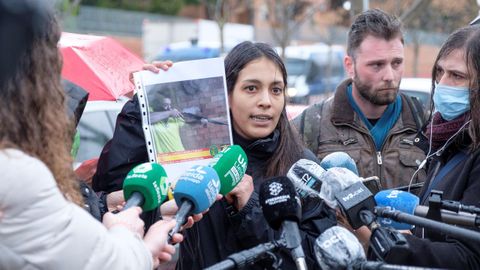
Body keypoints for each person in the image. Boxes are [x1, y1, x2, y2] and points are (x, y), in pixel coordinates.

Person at [92, 42, 336, 269]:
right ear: (227, 95)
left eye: (276, 90)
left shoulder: (302, 168)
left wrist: (250, 208)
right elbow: (114, 195)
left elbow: (322, 255)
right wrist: (143, 103)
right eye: (251, 88)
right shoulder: (194, 155)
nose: (266, 101)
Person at [0, 4, 183, 269]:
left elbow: (61, 230)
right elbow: (107, 262)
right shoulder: (17, 174)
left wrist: (110, 205)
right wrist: (133, 240)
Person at [351, 24, 480, 269]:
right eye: (440, 72)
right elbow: (433, 235)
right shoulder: (447, 140)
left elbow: (469, 258)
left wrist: (380, 242)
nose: (442, 83)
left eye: (457, 76)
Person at [293, 9, 427, 191]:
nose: (389, 75)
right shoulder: (308, 126)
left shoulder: (425, 124)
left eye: (396, 63)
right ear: (350, 66)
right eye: (377, 65)